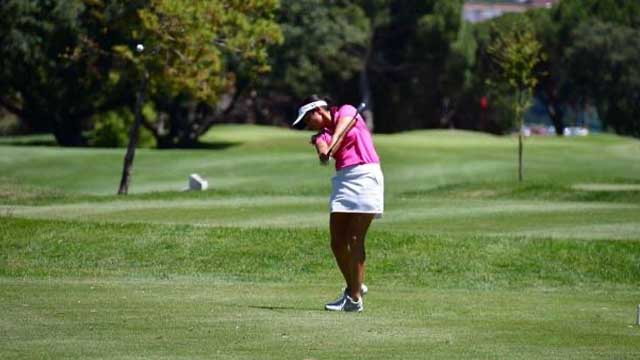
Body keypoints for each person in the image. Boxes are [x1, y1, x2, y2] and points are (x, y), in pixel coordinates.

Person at [292, 95, 384, 312]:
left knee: (355, 238)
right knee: (337, 242)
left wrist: (332, 143)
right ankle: (356, 286)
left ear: (317, 111)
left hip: (365, 175)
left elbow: (342, 130)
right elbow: (325, 151)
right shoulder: (321, 135)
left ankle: (353, 298)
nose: (307, 125)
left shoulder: (347, 110)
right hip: (343, 180)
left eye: (307, 120)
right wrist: (323, 151)